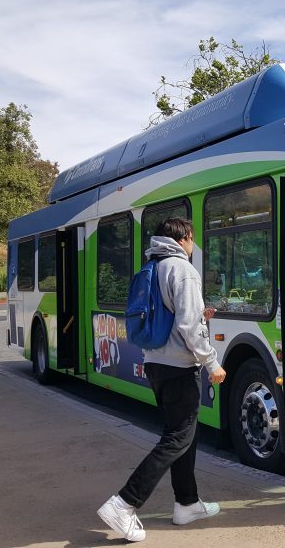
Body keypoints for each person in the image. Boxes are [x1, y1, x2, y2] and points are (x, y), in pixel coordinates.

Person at [97, 217, 227, 542]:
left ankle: (187, 503)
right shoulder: (183, 270)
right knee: (176, 439)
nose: (193, 245)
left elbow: (172, 316)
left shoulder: (151, 268)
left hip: (155, 363)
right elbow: (187, 326)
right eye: (192, 239)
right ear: (184, 238)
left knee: (183, 435)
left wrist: (199, 315)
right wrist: (212, 362)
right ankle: (125, 502)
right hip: (179, 367)